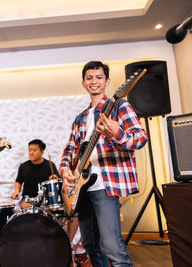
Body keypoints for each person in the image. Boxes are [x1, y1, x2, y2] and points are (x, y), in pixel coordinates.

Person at [60, 61, 148, 267]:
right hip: (82, 190)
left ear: (107, 81)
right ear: (83, 83)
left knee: (112, 248)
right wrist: (65, 170)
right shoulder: (80, 118)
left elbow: (140, 138)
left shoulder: (119, 106)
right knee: (91, 246)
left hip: (106, 186)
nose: (94, 82)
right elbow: (69, 150)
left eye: (99, 77)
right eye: (89, 78)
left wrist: (117, 134)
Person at [11, 139, 59, 208]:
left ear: (42, 151)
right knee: (27, 207)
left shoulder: (50, 165)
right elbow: (18, 181)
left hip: (45, 199)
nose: (31, 152)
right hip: (28, 199)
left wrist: (55, 179)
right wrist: (16, 191)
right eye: (30, 150)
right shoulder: (23, 166)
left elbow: (58, 182)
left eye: (34, 150)